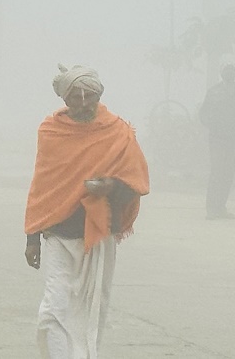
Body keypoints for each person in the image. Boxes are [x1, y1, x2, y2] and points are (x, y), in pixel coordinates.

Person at [24, 64, 150, 359]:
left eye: (88, 96)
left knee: (92, 307)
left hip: (99, 233)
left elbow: (136, 183)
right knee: (53, 309)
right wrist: (32, 238)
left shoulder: (118, 132)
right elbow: (42, 185)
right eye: (75, 97)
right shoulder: (51, 131)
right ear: (64, 100)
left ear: (98, 95)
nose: (82, 103)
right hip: (57, 233)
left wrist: (110, 187)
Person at [199, 64, 235, 219]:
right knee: (217, 171)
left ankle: (220, 208)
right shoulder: (213, 92)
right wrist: (212, 123)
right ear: (221, 73)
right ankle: (211, 209)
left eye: (232, 71)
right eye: (227, 70)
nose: (229, 73)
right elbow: (203, 113)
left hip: (234, 139)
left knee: (228, 173)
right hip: (218, 138)